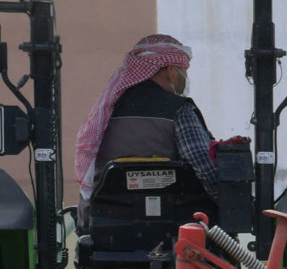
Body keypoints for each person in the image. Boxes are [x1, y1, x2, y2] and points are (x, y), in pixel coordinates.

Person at [73, 33, 223, 203]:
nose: (186, 79)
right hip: (173, 217)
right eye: (184, 72)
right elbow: (203, 164)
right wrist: (228, 201)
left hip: (110, 215)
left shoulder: (105, 112)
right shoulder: (179, 109)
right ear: (171, 71)